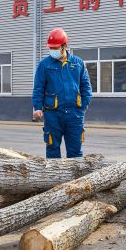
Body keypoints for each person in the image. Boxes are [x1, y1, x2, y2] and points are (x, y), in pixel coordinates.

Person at [32, 28, 92, 158]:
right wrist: (37, 107)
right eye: (51, 48)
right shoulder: (44, 64)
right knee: (52, 150)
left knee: (75, 153)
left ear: (65, 45)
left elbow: (86, 86)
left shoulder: (78, 63)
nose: (53, 50)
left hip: (74, 115)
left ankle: (77, 179)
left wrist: (83, 107)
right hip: (53, 114)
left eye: (56, 47)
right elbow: (38, 88)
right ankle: (55, 178)